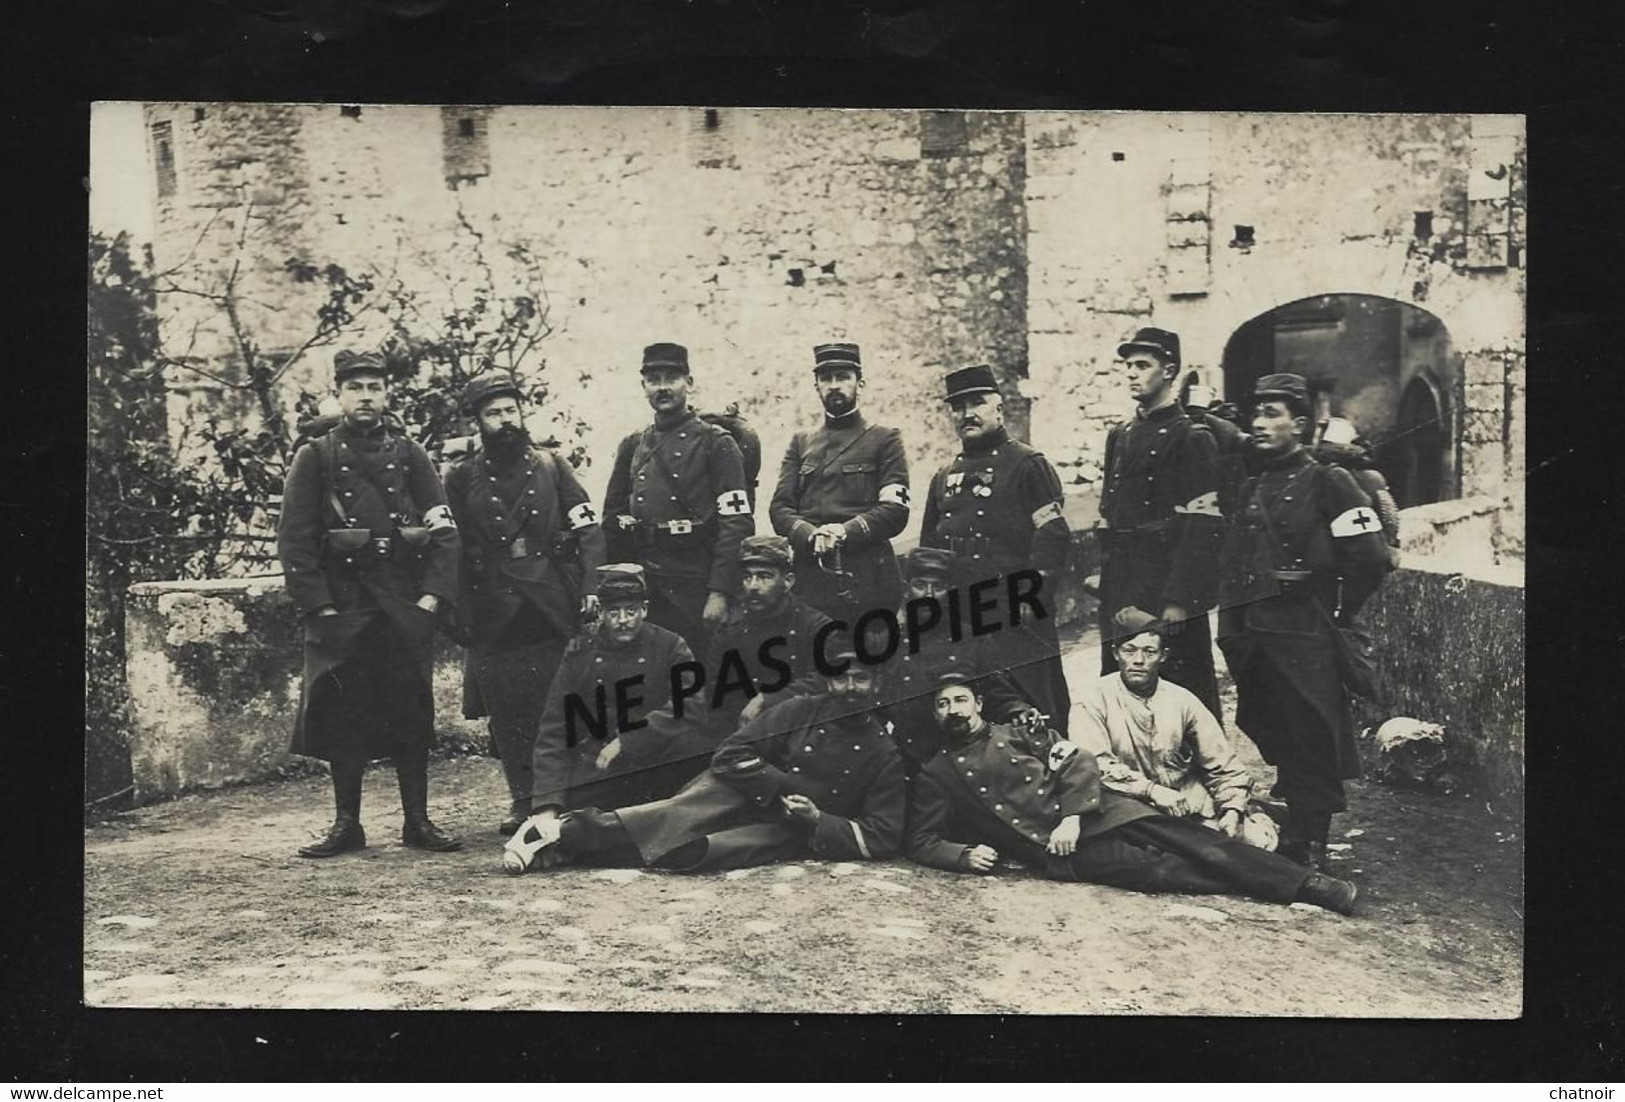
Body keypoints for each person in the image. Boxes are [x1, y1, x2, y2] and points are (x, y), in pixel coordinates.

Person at [905, 671, 1359, 914]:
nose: (953, 710)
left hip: (1097, 813)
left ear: (979, 704)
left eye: (960, 700)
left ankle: (1310, 885)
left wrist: (1071, 816)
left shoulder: (1022, 732)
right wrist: (961, 855)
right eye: (943, 705)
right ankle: (1269, 882)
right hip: (1055, 852)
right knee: (1158, 873)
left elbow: (1079, 759)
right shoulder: (937, 773)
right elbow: (922, 840)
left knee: (1195, 840)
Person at [276, 348, 463, 857]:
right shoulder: (315, 456)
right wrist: (321, 610)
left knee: (410, 713)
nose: (365, 396)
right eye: (355, 387)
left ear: (387, 393)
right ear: (339, 393)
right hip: (344, 608)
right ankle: (346, 825)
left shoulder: (410, 454)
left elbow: (446, 531)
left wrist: (431, 597)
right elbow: (295, 541)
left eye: (374, 387)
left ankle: (417, 822)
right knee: (343, 715)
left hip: (402, 608)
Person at [503, 642, 907, 875]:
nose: (850, 687)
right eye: (841, 677)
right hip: (739, 790)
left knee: (695, 853)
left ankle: (564, 848)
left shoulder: (883, 752)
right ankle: (563, 832)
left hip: (791, 828)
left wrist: (819, 819)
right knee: (668, 816)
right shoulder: (799, 710)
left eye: (861, 678)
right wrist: (780, 786)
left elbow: (883, 834)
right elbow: (730, 753)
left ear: (877, 684)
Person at [1217, 374, 1393, 868]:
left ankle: (1311, 842)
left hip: (1304, 630)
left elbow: (1372, 557)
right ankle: (1295, 826)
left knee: (1311, 732)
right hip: (1256, 634)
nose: (1258, 423)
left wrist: (1337, 610)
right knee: (1276, 728)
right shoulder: (1253, 485)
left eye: (1272, 414)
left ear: (1299, 424)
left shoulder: (1330, 481)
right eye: (1255, 414)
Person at [444, 372, 607, 835]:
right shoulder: (459, 477)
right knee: (507, 712)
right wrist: (454, 607)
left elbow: (589, 529)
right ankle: (522, 800)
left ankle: (562, 797)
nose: (505, 421)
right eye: (493, 414)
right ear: (477, 421)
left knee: (559, 704)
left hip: (550, 603)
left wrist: (592, 586)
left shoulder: (553, 467)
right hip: (493, 607)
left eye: (510, 410)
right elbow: (448, 545)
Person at [919, 364, 1073, 733]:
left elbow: (1053, 534)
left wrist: (1028, 597)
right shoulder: (944, 476)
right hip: (963, 612)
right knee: (975, 701)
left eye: (977, 403)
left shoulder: (1027, 464)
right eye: (958, 407)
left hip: (1014, 608)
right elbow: (930, 549)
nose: (967, 414)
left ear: (999, 408)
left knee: (1033, 702)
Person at [1097, 328, 1226, 721]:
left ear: (1169, 370)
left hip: (1166, 582)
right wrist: (1104, 577)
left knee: (1181, 693)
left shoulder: (1192, 437)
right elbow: (1109, 510)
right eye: (1128, 366)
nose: (1132, 374)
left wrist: (1179, 600)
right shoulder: (1120, 435)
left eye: (1143, 365)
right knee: (1119, 690)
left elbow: (1203, 527)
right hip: (1122, 582)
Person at [526, 564, 715, 831]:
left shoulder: (671, 646)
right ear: (601, 612)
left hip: (659, 757)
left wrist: (630, 738)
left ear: (645, 609)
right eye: (613, 612)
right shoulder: (580, 655)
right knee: (572, 815)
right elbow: (554, 729)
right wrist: (547, 806)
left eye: (631, 610)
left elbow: (691, 705)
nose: (623, 619)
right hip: (605, 763)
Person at [603, 342, 754, 654]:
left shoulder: (716, 443)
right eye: (654, 379)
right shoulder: (632, 445)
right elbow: (611, 517)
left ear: (689, 382)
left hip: (696, 585)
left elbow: (736, 523)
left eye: (671, 378)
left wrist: (720, 591)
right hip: (647, 587)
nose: (662, 388)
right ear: (643, 386)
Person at [1072, 629, 1277, 850]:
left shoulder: (1182, 699)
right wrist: (1151, 790)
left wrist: (1232, 809)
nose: (1138, 660)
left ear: (1163, 655)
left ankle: (1255, 816)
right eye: (1129, 651)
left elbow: (1223, 765)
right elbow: (1095, 765)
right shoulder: (1092, 699)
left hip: (1185, 800)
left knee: (1256, 843)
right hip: (1126, 804)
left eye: (1149, 652)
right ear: (1115, 653)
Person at [768, 342, 911, 621]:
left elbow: (896, 510)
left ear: (860, 383)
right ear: (817, 386)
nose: (834, 385)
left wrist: (843, 532)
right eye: (826, 378)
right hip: (811, 579)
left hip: (870, 580)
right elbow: (780, 509)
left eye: (843, 377)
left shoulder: (885, 438)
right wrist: (810, 534)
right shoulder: (801, 442)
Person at [872, 546, 1043, 775]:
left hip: (974, 755)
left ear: (950, 592)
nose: (928, 595)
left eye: (938, 587)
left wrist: (1018, 710)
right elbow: (874, 711)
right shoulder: (885, 644)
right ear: (907, 589)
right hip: (915, 759)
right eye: (920, 585)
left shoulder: (973, 637)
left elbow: (997, 692)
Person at [702, 534, 833, 735]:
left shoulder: (814, 626)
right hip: (743, 733)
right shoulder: (729, 629)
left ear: (788, 581)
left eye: (764, 576)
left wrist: (768, 699)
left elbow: (826, 680)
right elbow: (716, 694)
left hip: (803, 731)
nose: (753, 586)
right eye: (747, 576)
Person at [1313, 416, 1402, 569]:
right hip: (1362, 554)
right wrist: (1389, 544)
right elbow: (1390, 520)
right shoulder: (1373, 478)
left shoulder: (1314, 475)